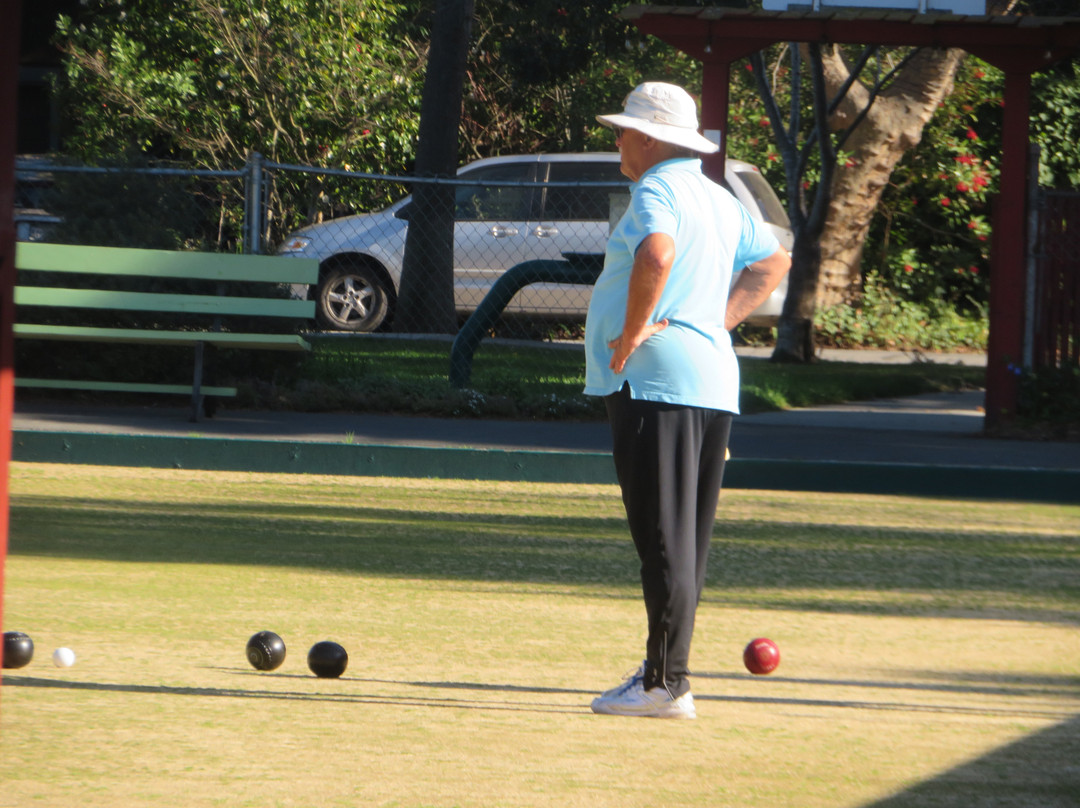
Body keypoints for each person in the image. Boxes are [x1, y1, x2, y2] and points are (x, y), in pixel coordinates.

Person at [585, 82, 791, 719]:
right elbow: (773, 262)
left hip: (655, 382)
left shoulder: (658, 188)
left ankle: (664, 684)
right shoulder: (719, 196)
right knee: (684, 539)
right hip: (710, 381)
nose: (617, 140)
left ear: (650, 137)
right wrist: (716, 322)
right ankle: (667, 675)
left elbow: (657, 251)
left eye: (623, 130)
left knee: (664, 538)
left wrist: (631, 334)